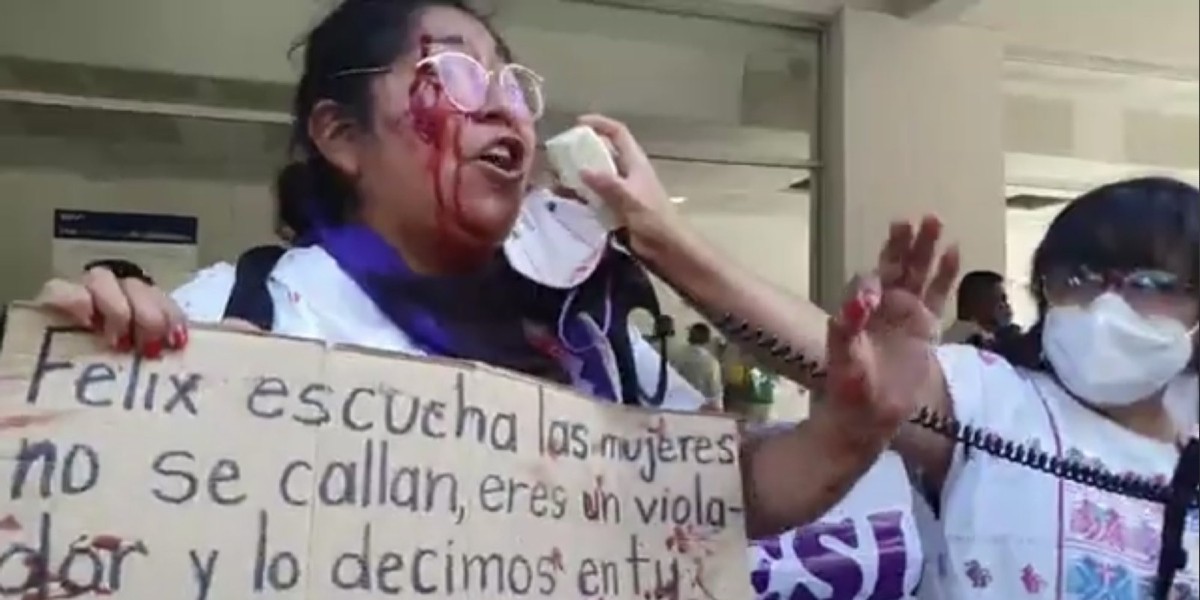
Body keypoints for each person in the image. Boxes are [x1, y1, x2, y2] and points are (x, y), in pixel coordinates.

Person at [32, 0, 924, 551]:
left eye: (514, 84)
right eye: (453, 73)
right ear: (341, 136)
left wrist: (849, 427)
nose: (506, 106)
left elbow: (730, 492)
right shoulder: (236, 317)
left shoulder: (589, 338)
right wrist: (97, 371)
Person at [826, 177, 1200, 598]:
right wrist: (854, 343)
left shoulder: (1187, 453)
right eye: (1079, 280)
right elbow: (823, 358)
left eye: (1151, 284)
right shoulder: (996, 398)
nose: (1104, 306)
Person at [941, 269, 1014, 348]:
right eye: (1002, 300)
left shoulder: (943, 338)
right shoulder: (981, 343)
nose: (1007, 306)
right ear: (977, 303)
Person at [670, 322, 724, 411]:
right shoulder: (712, 363)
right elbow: (715, 392)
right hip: (700, 410)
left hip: (677, 406)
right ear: (708, 339)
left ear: (689, 337)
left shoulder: (677, 356)